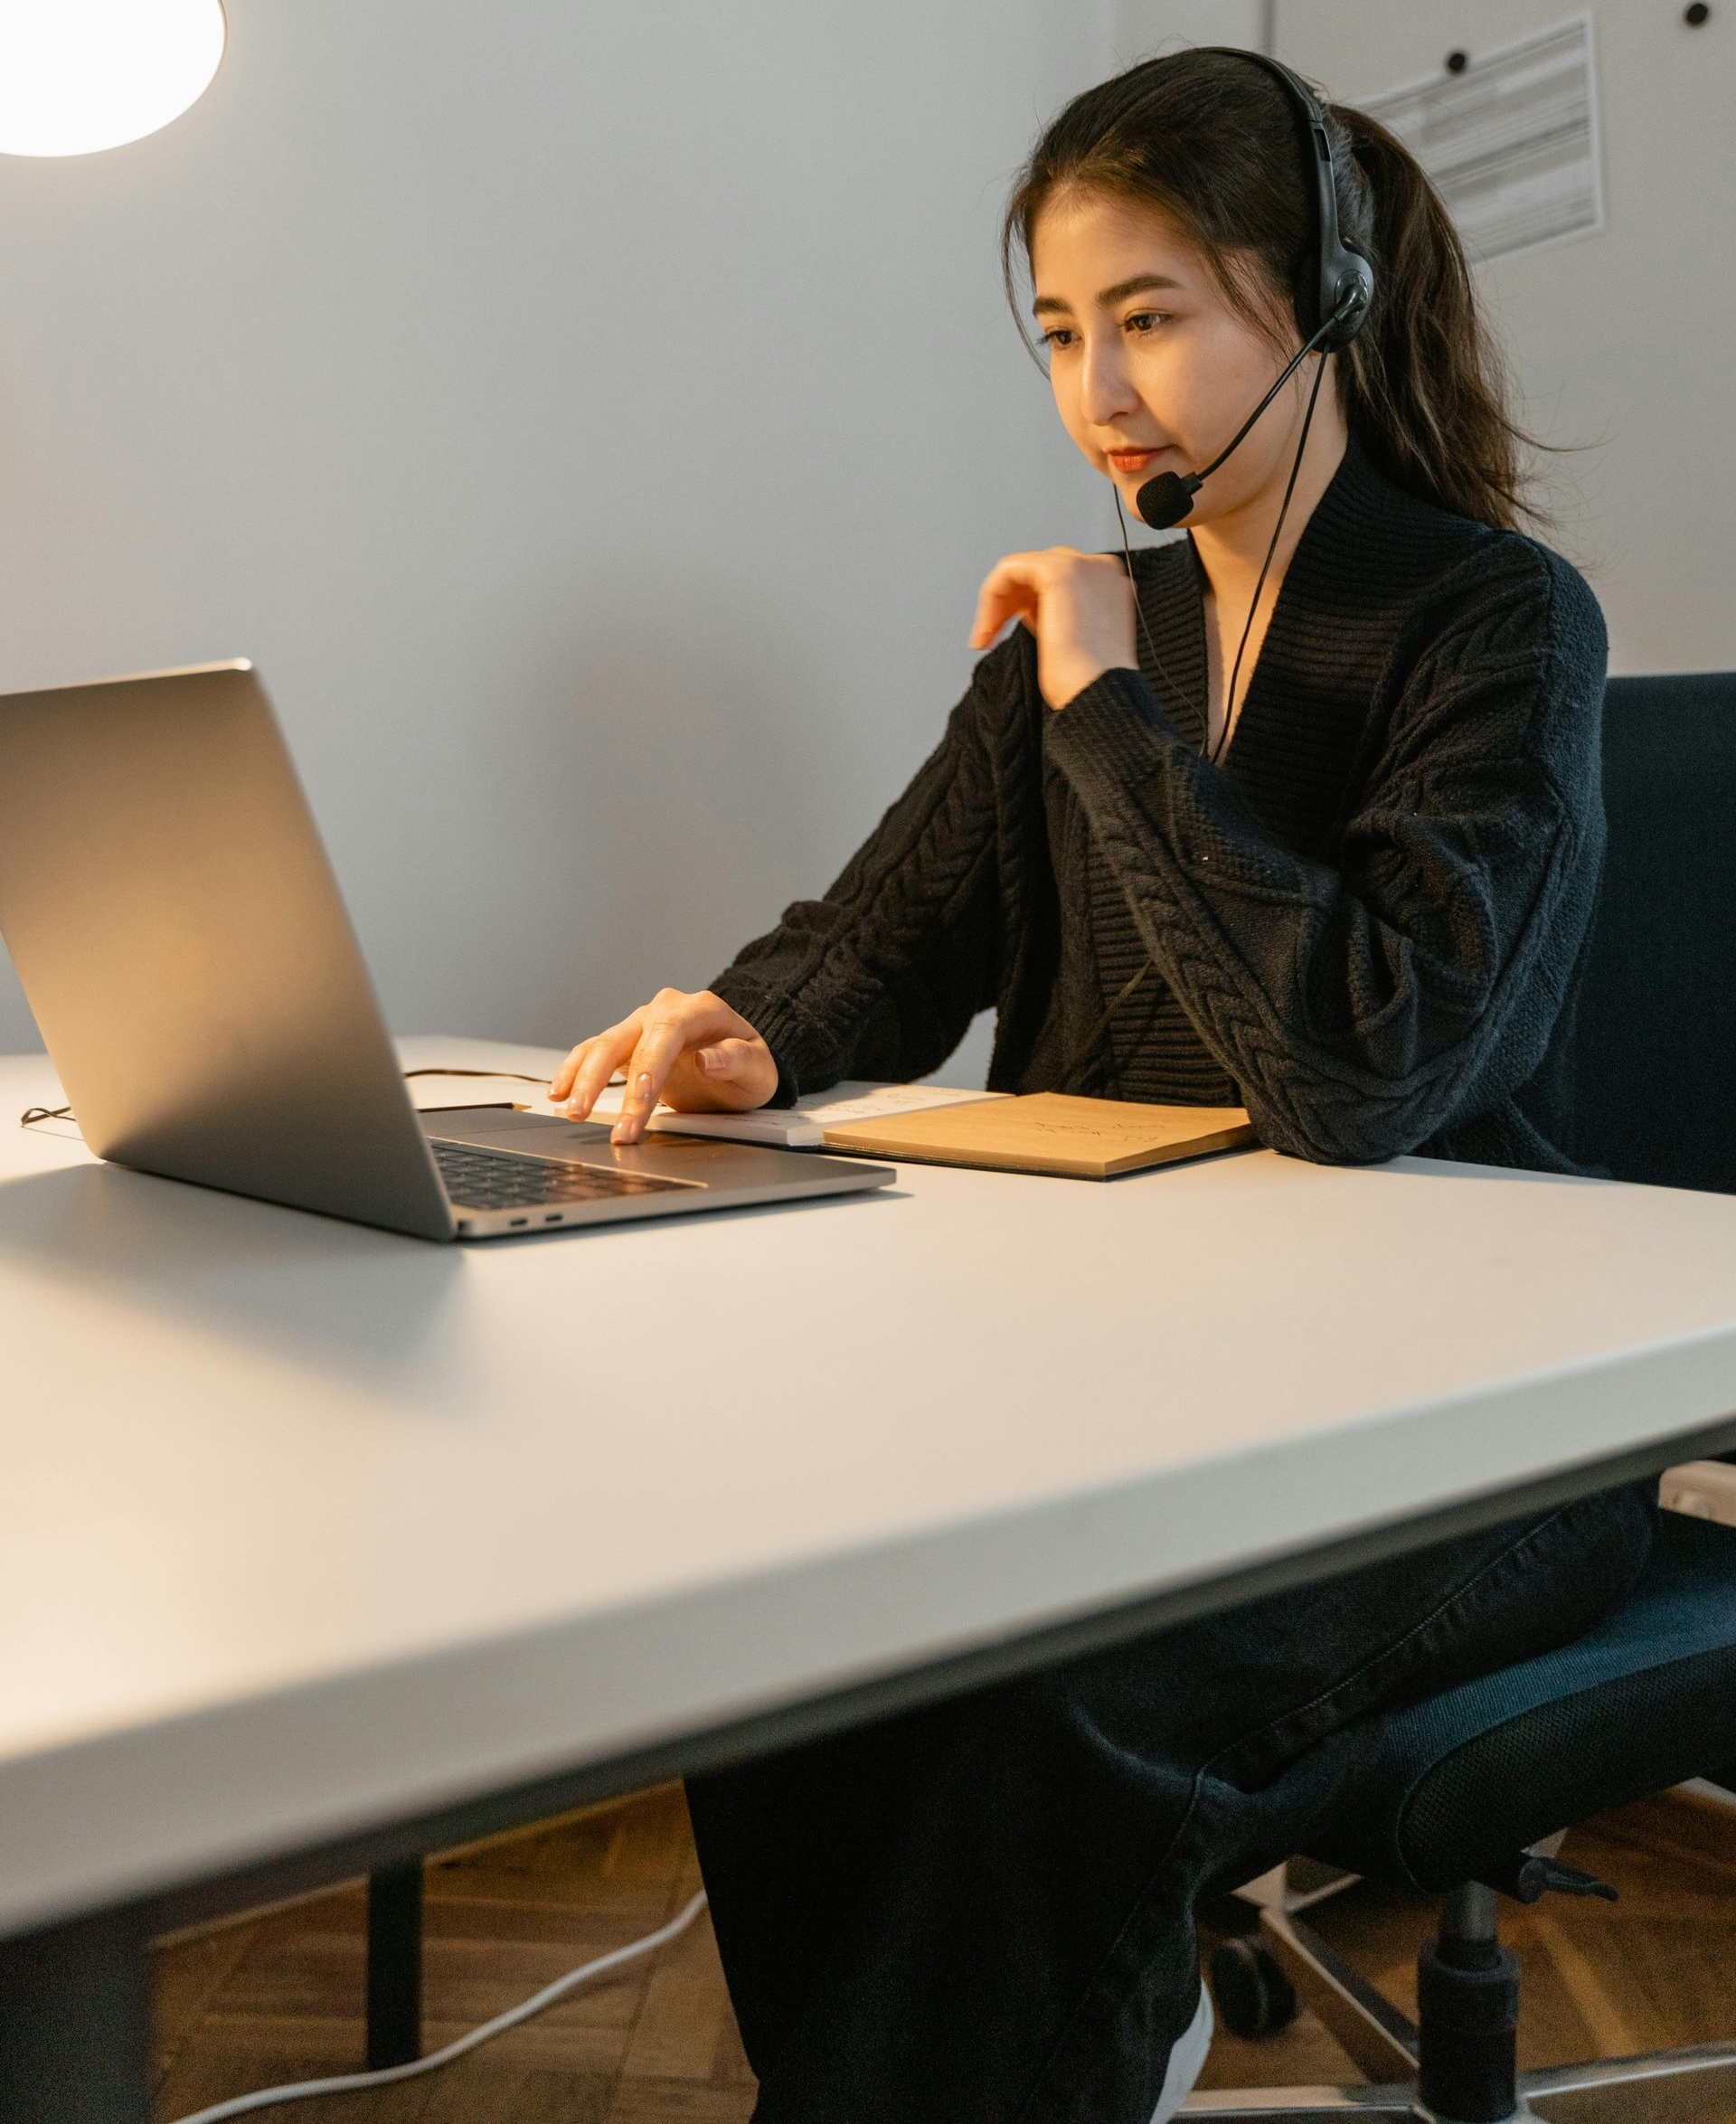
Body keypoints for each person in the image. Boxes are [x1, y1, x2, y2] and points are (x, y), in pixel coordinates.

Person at [549, 46, 1655, 2124]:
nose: (1097, 392)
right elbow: (885, 936)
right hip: (1135, 1378)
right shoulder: (1088, 634)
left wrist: (1113, 706)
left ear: (1320, 301)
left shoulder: (1496, 625)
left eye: (1148, 317)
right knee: (789, 1639)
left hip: (1471, 1429)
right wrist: (758, 1025)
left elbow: (1359, 1068)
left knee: (1048, 1706)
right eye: (1061, 332)